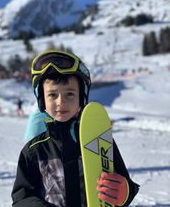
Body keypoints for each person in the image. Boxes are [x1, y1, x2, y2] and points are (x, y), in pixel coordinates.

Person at [11, 50, 139, 207]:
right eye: (52, 95)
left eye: (69, 94)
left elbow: (125, 184)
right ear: (42, 99)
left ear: (81, 97)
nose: (61, 102)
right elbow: (21, 197)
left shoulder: (99, 140)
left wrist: (124, 192)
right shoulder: (34, 150)